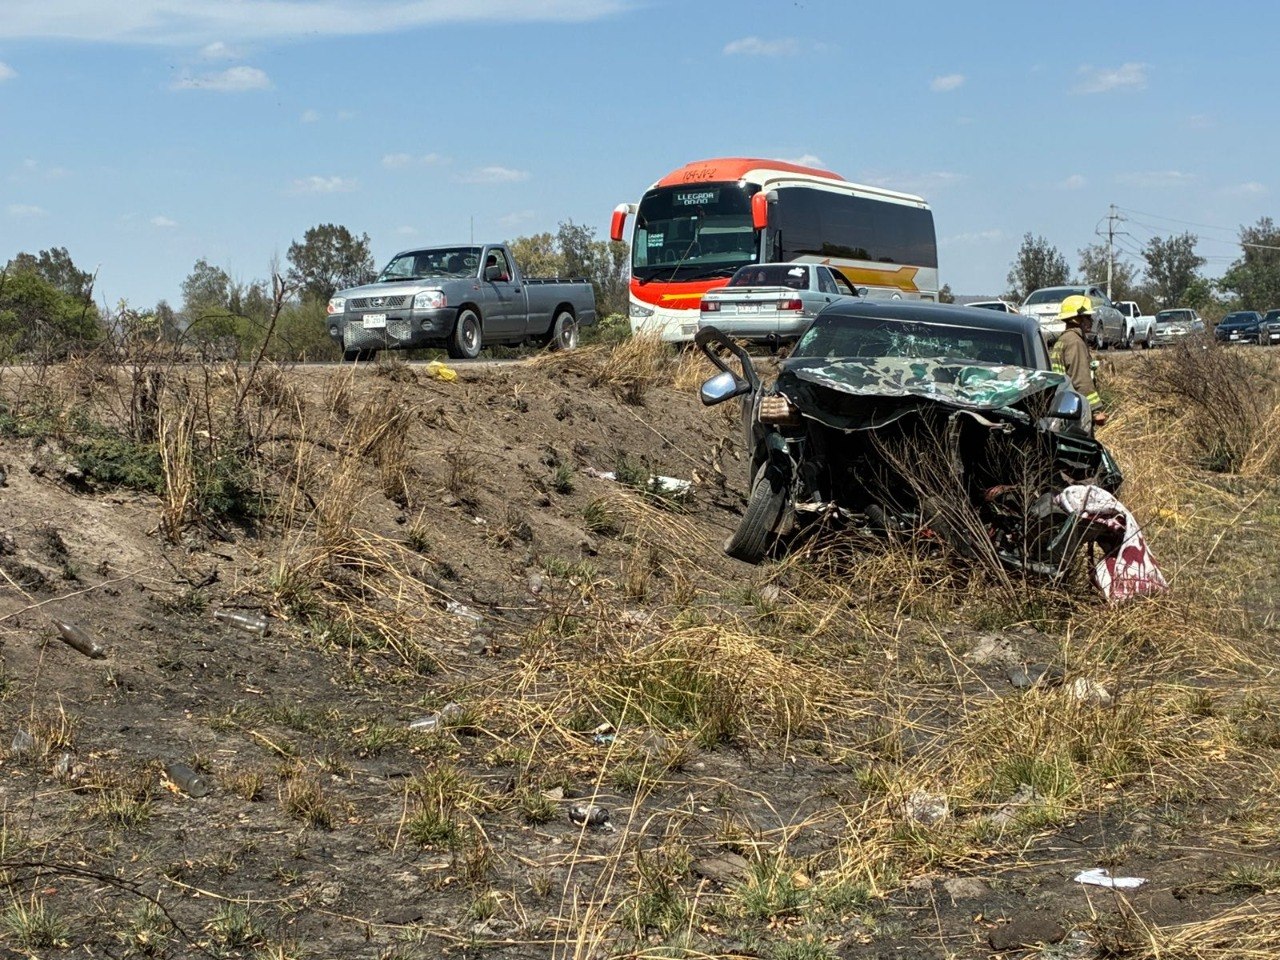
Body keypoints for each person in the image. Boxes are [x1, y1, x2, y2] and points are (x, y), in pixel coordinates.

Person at [1050, 294, 1107, 427]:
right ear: (1077, 319)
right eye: (1087, 317)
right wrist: (1095, 411)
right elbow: (1080, 379)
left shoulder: (1064, 339)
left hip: (1064, 406)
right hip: (1074, 411)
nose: (1091, 321)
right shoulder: (1075, 342)